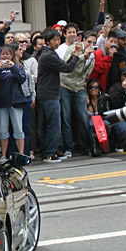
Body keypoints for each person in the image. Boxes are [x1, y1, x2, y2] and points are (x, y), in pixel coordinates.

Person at [36, 30, 85, 163]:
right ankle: (49, 153)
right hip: (48, 94)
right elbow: (67, 68)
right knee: (53, 124)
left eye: (58, 39)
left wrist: (74, 55)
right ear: (48, 41)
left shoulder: (49, 53)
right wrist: (76, 55)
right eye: (54, 40)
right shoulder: (48, 55)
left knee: (52, 123)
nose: (57, 42)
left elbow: (64, 65)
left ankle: (51, 150)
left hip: (49, 92)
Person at [0, 46, 28, 165]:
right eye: (3, 54)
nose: (5, 56)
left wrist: (12, 67)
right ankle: (3, 155)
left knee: (18, 129)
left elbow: (21, 79)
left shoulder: (18, 66)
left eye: (8, 54)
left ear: (12, 55)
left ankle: (21, 154)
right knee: (3, 130)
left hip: (16, 102)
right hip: (1, 102)